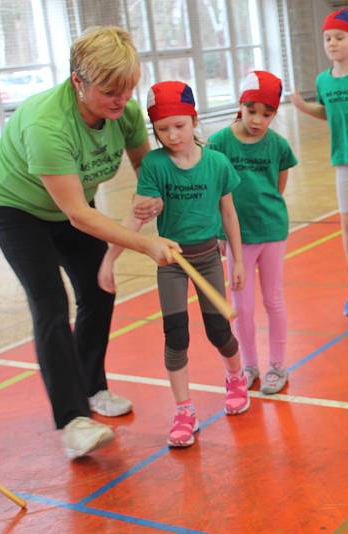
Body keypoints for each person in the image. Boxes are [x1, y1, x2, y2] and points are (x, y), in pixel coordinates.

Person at [0, 26, 178, 459]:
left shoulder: (120, 111)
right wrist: (145, 247)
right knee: (50, 304)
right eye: (109, 92)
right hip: (16, 209)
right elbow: (79, 215)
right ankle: (72, 420)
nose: (121, 102)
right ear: (77, 83)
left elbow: (148, 171)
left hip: (71, 204)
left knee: (98, 288)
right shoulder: (47, 124)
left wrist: (165, 204)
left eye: (127, 91)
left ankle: (92, 387)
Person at [98, 81, 249, 448]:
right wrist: (110, 259)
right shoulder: (154, 165)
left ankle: (236, 377)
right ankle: (184, 410)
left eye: (179, 126)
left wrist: (238, 260)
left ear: (194, 120)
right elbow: (138, 217)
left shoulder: (216, 162)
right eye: (162, 129)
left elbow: (228, 213)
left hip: (209, 258)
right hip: (171, 261)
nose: (171, 135)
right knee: (176, 336)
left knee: (219, 333)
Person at [207, 71, 298, 394]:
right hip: (236, 238)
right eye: (252, 111)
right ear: (240, 106)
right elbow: (216, 191)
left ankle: (277, 365)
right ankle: (248, 364)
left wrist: (267, 211)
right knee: (241, 305)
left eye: (267, 113)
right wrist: (221, 231)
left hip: (272, 230)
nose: (258, 120)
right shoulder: (219, 143)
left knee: (273, 299)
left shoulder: (278, 145)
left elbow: (279, 183)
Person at [291, 9, 348, 317]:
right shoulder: (323, 80)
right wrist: (305, 108)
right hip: (342, 158)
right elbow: (328, 111)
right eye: (327, 38)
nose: (332, 43)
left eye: (339, 37)